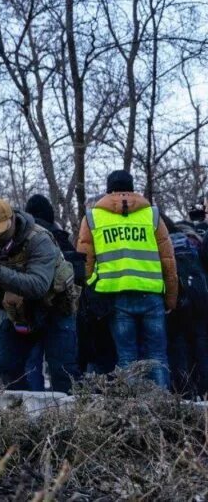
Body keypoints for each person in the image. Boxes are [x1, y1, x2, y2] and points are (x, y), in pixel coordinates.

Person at [0, 198, 79, 393]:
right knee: (7, 367)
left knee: (63, 372)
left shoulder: (39, 239)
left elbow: (38, 285)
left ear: (12, 220)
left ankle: (71, 417)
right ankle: (20, 416)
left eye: (1, 229)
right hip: (19, 313)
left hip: (55, 309)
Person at [76, 170, 177, 389]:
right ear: (132, 189)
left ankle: (133, 411)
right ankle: (162, 409)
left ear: (108, 189)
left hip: (117, 297)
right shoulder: (152, 215)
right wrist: (171, 299)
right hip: (152, 295)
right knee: (158, 355)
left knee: (126, 357)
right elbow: (168, 261)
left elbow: (85, 263)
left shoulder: (93, 217)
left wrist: (92, 290)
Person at [22, 194, 84, 390]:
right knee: (63, 366)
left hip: (29, 310)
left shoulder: (23, 240)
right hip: (62, 309)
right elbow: (79, 275)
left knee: (31, 364)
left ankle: (30, 413)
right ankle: (66, 411)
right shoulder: (61, 239)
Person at [162, 215, 208, 398]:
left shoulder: (164, 243)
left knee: (178, 345)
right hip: (201, 298)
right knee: (201, 343)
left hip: (180, 301)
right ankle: (204, 389)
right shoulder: (192, 241)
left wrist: (170, 301)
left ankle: (184, 392)